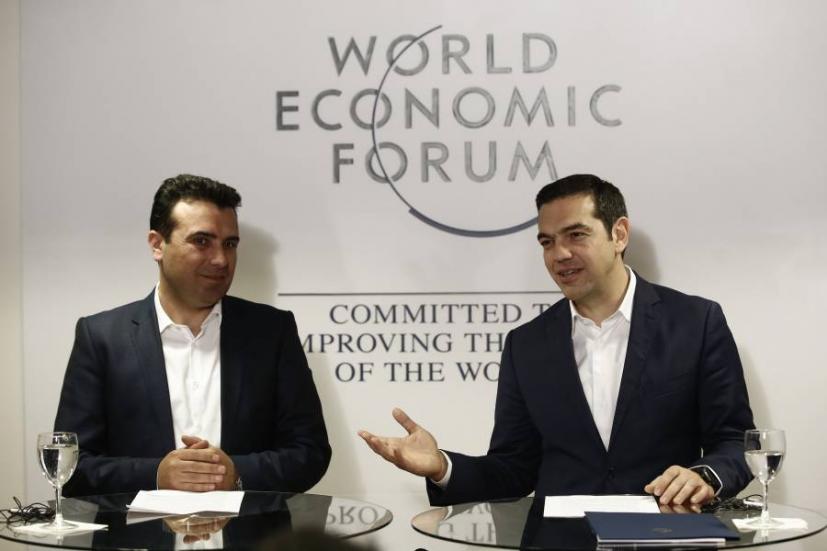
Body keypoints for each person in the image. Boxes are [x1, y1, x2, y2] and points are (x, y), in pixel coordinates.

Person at [360, 174, 754, 510]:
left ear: (619, 234)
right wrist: (442, 467)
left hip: (666, 538)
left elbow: (736, 441)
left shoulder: (696, 322)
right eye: (547, 242)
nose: (559, 254)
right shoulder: (526, 345)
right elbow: (513, 469)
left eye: (576, 235)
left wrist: (705, 476)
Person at [55, 174, 331, 496]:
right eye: (202, 241)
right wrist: (156, 475)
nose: (221, 259)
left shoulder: (272, 332)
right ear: (157, 245)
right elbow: (70, 466)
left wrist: (236, 474)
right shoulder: (101, 337)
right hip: (138, 529)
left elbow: (310, 453)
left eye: (230, 244)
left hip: (251, 528)